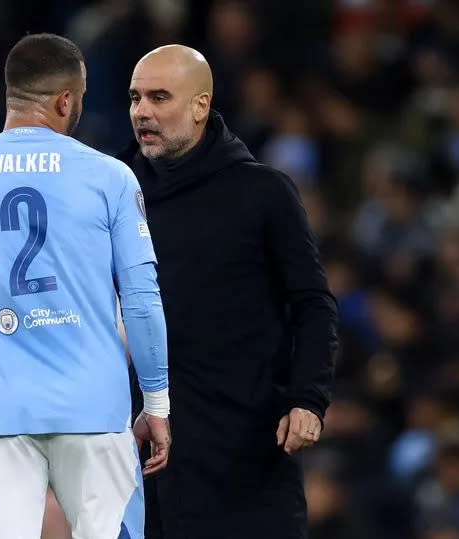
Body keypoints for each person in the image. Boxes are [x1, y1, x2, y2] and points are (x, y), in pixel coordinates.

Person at [0, 34, 171, 539]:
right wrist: (155, 404)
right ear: (67, 100)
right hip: (97, 415)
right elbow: (143, 300)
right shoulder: (112, 180)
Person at [119, 45, 339, 539]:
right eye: (135, 98)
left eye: (159, 97)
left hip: (248, 458)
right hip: (141, 461)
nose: (142, 112)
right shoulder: (113, 193)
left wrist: (308, 398)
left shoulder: (262, 193)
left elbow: (312, 303)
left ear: (201, 106)